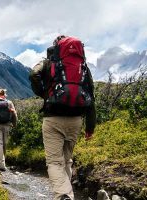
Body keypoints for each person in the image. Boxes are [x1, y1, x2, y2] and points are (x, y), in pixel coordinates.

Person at [29, 35, 96, 200]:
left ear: (56, 47)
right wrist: (90, 126)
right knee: (67, 160)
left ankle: (63, 195)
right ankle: (68, 195)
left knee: (54, 162)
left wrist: (44, 93)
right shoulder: (82, 67)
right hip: (76, 120)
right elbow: (91, 95)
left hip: (53, 118)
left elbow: (33, 74)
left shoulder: (48, 63)